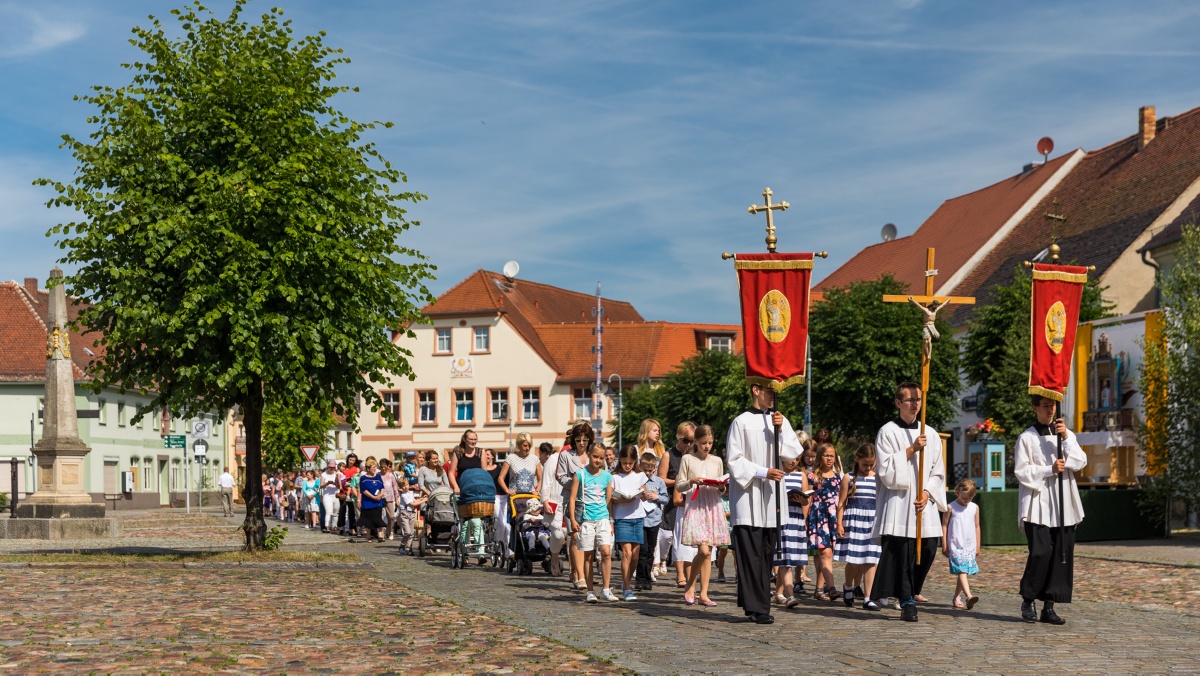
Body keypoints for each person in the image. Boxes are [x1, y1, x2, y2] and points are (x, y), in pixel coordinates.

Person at [727, 383, 803, 624]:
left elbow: (792, 455)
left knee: (766, 554)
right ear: (756, 390)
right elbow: (734, 460)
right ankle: (759, 608)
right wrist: (762, 471)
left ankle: (754, 604)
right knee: (750, 555)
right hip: (748, 498)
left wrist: (780, 432)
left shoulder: (780, 420)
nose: (773, 397)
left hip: (772, 499)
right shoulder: (740, 422)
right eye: (770, 391)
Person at [871, 381, 947, 622]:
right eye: (910, 400)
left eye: (918, 399)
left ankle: (912, 590)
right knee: (902, 553)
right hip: (899, 502)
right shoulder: (888, 431)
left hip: (922, 503)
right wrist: (911, 449)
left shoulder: (931, 433)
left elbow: (938, 471)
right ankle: (906, 601)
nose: (915, 404)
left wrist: (927, 492)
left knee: (926, 550)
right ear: (898, 403)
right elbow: (885, 469)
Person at [1015, 394, 1086, 625]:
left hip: (1063, 501)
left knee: (1060, 556)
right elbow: (1021, 471)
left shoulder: (1066, 434)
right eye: (1045, 406)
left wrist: (1065, 437)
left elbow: (1080, 461)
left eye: (1053, 406)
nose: (1050, 411)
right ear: (1034, 407)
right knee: (1041, 552)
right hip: (1038, 503)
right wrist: (1049, 469)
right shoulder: (1026, 437)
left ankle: (1049, 606)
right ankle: (1028, 600)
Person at [676, 424, 730, 608]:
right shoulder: (688, 459)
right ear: (696, 442)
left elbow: (722, 489)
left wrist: (721, 486)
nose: (707, 446)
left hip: (713, 506)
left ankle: (704, 594)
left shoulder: (716, 460)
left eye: (710, 443)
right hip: (696, 506)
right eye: (703, 443)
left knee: (709, 554)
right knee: (703, 550)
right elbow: (679, 485)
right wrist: (692, 480)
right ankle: (690, 586)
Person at [568, 442, 617, 603]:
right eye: (595, 456)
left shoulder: (607, 476)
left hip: (603, 518)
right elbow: (573, 498)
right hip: (587, 520)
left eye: (601, 458)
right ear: (589, 454)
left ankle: (606, 589)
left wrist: (611, 520)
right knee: (588, 555)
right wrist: (574, 519)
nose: (597, 460)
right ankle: (590, 590)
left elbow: (608, 500)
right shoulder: (580, 474)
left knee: (606, 552)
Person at [836, 443, 882, 610]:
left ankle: (868, 597)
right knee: (854, 561)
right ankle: (848, 586)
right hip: (854, 520)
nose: (868, 467)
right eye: (865, 464)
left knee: (871, 559)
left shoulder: (878, 477)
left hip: (872, 521)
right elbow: (841, 503)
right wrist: (839, 523)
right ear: (857, 459)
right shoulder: (849, 477)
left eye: (871, 464)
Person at [557, 421, 595, 591]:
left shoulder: (593, 456)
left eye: (585, 440)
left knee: (588, 538)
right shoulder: (566, 455)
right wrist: (575, 482)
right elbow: (560, 476)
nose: (582, 443)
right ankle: (579, 575)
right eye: (579, 440)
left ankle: (585, 573)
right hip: (572, 500)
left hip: (591, 501)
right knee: (575, 535)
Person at [657, 421, 695, 585]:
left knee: (686, 537)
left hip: (691, 500)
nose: (688, 444)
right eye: (685, 440)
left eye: (691, 441)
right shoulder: (669, 455)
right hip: (673, 499)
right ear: (678, 437)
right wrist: (678, 482)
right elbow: (660, 479)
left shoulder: (695, 456)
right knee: (671, 536)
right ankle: (673, 567)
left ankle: (686, 573)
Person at [609, 445, 649, 601]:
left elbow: (644, 495)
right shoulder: (615, 477)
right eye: (625, 462)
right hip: (622, 518)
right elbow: (611, 499)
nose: (627, 466)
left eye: (630, 463)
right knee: (626, 553)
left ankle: (627, 580)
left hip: (637, 516)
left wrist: (643, 493)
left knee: (635, 555)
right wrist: (621, 500)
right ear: (620, 461)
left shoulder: (640, 476)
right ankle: (627, 588)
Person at [773, 451, 809, 608]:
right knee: (784, 559)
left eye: (796, 459)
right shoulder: (777, 474)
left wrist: (802, 501)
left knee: (789, 559)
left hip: (796, 519)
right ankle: (790, 595)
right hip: (781, 520)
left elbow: (807, 500)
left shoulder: (801, 475)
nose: (793, 461)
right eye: (789, 458)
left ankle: (779, 593)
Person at [807, 443, 843, 602]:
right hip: (818, 516)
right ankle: (832, 588)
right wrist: (805, 519)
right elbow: (807, 498)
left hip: (833, 517)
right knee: (825, 553)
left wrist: (841, 522)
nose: (829, 459)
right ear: (820, 457)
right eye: (826, 455)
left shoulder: (838, 477)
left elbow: (842, 500)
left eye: (832, 456)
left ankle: (818, 589)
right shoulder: (812, 476)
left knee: (826, 554)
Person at [943, 478, 981, 610]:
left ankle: (956, 597)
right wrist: (944, 544)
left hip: (969, 544)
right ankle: (968, 596)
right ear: (957, 492)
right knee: (962, 570)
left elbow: (977, 527)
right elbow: (944, 526)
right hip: (955, 544)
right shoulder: (950, 507)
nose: (967, 501)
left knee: (963, 571)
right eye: (965, 498)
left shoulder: (974, 508)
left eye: (969, 498)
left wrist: (977, 545)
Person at [635, 451, 668, 591]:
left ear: (654, 468)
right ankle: (639, 578)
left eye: (650, 470)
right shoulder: (638, 480)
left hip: (654, 519)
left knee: (650, 551)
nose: (648, 473)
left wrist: (656, 497)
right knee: (641, 551)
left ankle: (648, 577)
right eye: (645, 470)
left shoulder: (659, 481)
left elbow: (666, 498)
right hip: (641, 519)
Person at [537, 442, 566, 577]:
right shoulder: (553, 459)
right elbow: (546, 482)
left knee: (573, 537)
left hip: (572, 503)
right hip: (555, 502)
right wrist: (545, 501)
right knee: (559, 535)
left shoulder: (581, 459)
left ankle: (577, 572)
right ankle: (554, 559)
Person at [358, 459, 387, 542]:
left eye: (375, 467)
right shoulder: (363, 478)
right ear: (368, 468)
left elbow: (382, 487)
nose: (374, 469)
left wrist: (380, 495)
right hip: (367, 503)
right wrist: (373, 497)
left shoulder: (378, 476)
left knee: (378, 518)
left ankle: (380, 535)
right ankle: (369, 536)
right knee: (368, 519)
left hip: (378, 502)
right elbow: (364, 490)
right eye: (373, 467)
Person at [396, 477, 425, 555]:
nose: (406, 487)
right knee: (407, 532)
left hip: (412, 513)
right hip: (405, 513)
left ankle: (408, 548)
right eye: (404, 485)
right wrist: (424, 500)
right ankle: (402, 545)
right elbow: (413, 504)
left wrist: (422, 498)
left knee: (412, 532)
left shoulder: (411, 493)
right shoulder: (403, 495)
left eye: (407, 484)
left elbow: (415, 501)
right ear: (401, 487)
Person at [380, 458, 399, 541]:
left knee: (391, 516)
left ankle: (389, 530)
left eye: (385, 467)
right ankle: (381, 532)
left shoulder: (391, 475)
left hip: (390, 498)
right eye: (381, 467)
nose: (383, 469)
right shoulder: (378, 475)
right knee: (380, 516)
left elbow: (395, 487)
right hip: (380, 497)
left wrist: (396, 498)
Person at [319, 460, 341, 534]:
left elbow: (340, 486)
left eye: (333, 467)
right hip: (327, 495)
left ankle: (334, 526)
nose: (332, 469)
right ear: (328, 466)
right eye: (330, 467)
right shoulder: (324, 474)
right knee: (328, 511)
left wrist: (335, 483)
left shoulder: (337, 474)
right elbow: (321, 486)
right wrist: (327, 483)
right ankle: (327, 526)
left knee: (336, 512)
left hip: (335, 494)